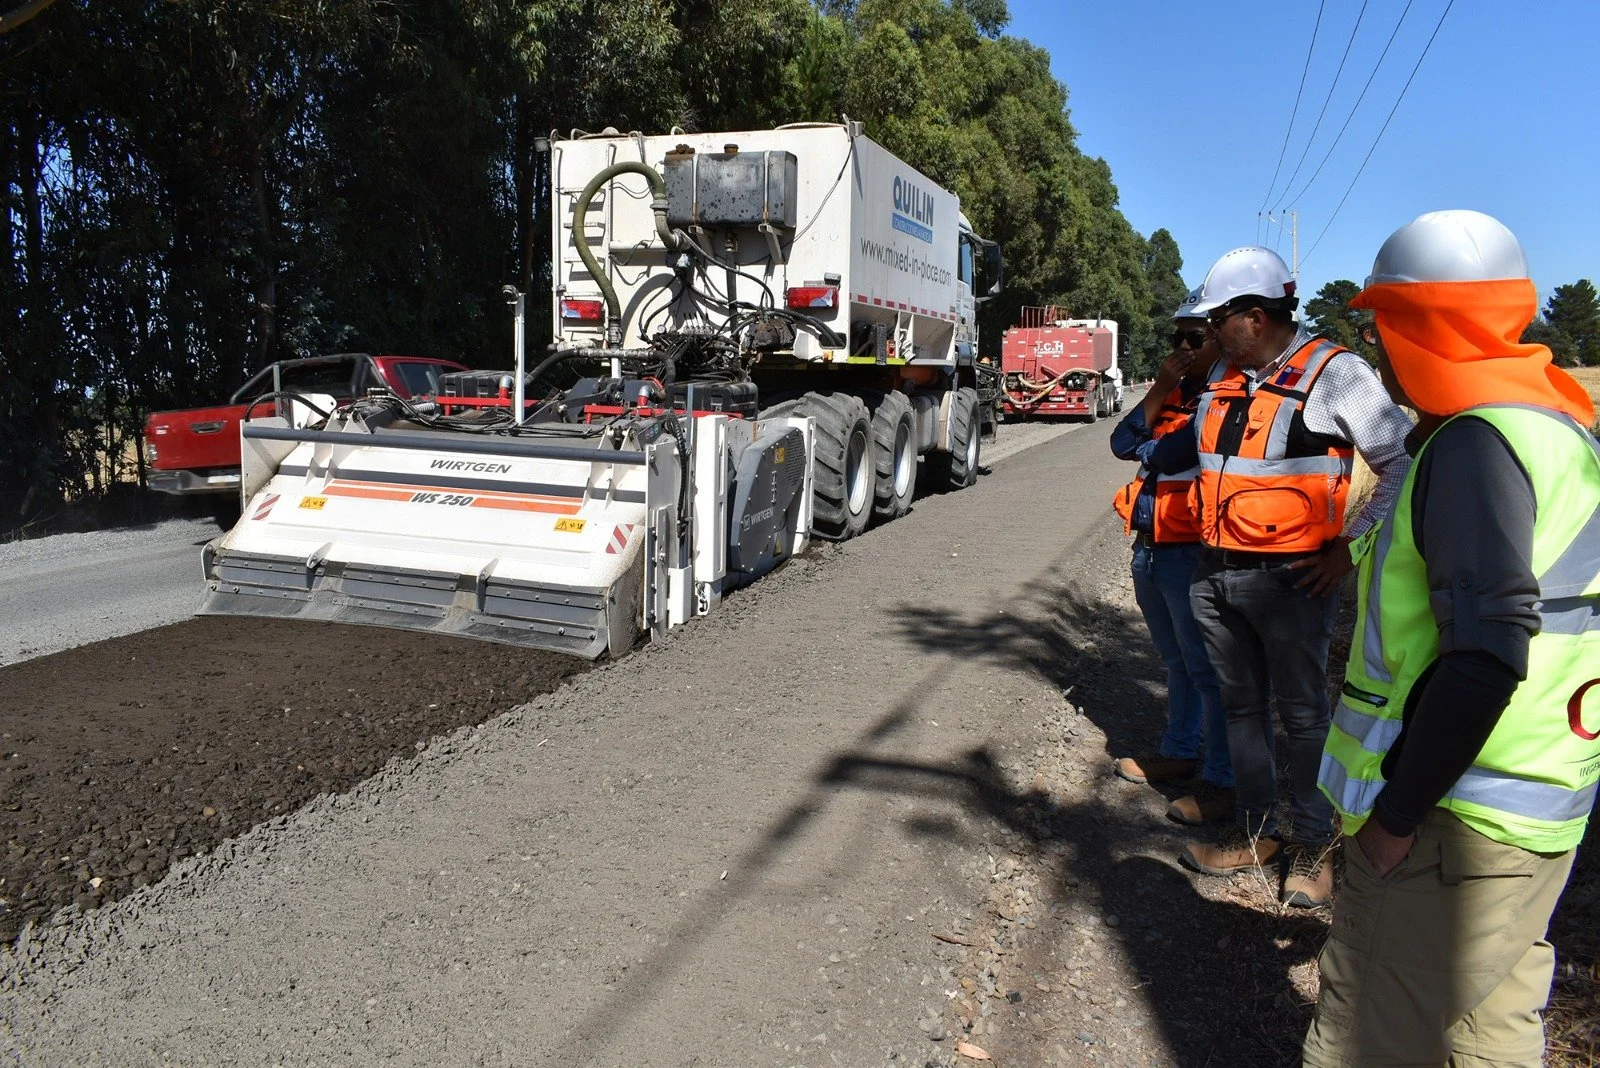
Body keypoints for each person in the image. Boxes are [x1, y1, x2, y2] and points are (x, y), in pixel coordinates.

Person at [1304, 210, 1600, 1066]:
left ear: (1417, 325)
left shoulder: (1476, 443)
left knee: (1367, 1042)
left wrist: (1394, 819)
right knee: (1488, 1028)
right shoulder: (1562, 429)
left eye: (1382, 326)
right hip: (1541, 803)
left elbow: (1485, 654)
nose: (1377, 347)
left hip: (1453, 822)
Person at [1152, 247, 1415, 908]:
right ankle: (1256, 832)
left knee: (1303, 716)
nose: (1210, 333)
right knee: (1241, 709)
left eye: (1218, 320)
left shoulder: (1335, 372)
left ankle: (1314, 846)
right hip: (1215, 575)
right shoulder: (1223, 373)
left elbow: (1401, 463)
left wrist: (1350, 548)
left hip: (1293, 582)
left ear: (1257, 316)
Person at [1109, 292, 1234, 826]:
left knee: (1207, 669)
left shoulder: (1228, 395)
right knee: (1177, 661)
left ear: (1220, 339)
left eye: (1194, 337)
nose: (1182, 346)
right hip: (1152, 546)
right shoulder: (1177, 391)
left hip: (1192, 551)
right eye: (1176, 337)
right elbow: (1122, 442)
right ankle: (1180, 751)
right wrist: (1161, 386)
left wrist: (1150, 443)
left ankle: (1222, 779)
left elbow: (1167, 451)